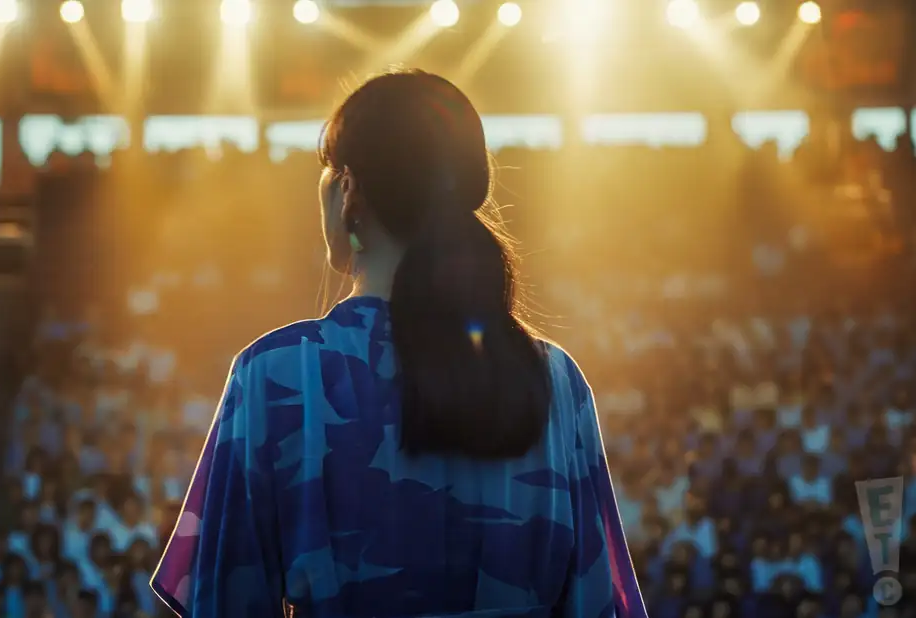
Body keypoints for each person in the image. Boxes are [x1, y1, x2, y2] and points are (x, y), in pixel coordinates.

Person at [151, 69, 646, 618]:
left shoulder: (273, 376)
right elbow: (599, 602)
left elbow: (224, 603)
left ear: (348, 188)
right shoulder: (555, 381)